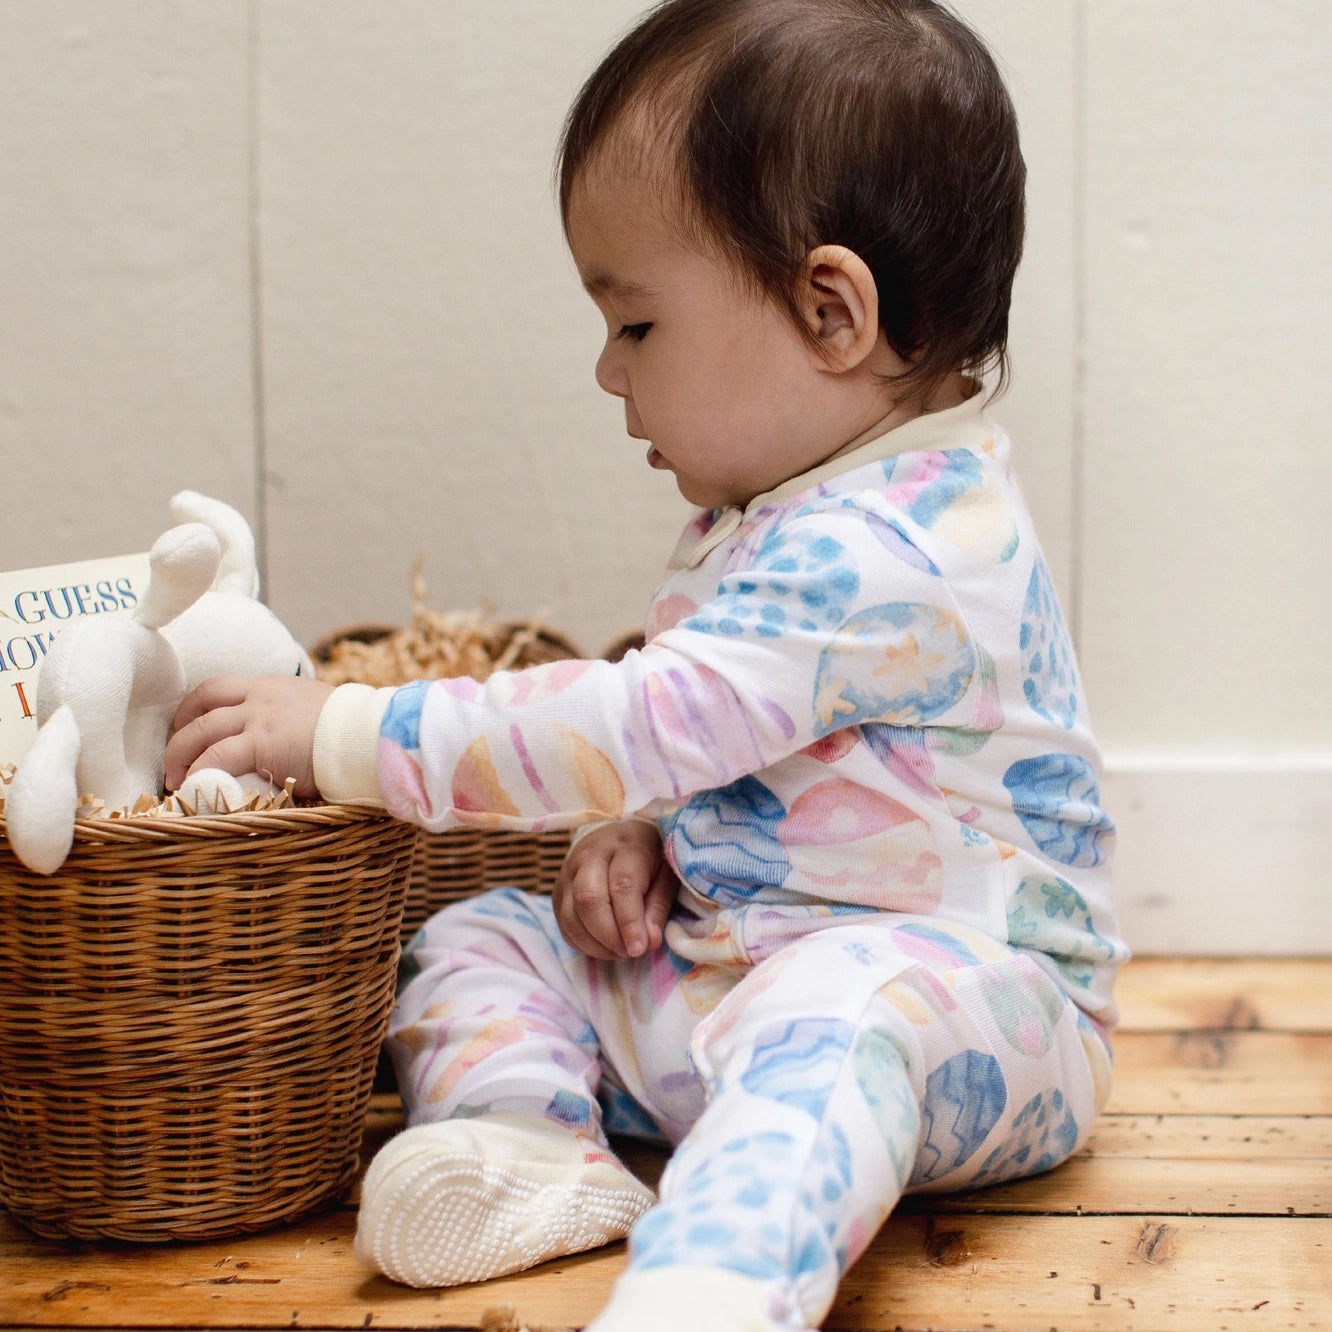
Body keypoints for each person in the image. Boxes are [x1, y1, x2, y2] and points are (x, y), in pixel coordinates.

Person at [165, 1, 1127, 1327]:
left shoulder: (895, 543)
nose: (608, 372)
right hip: (735, 981)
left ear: (830, 309)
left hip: (972, 1016)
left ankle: (712, 1289)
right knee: (482, 934)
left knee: (840, 1022)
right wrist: (648, 835)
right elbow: (722, 752)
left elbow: (640, 717)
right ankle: (531, 1146)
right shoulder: (772, 517)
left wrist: (344, 733)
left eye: (638, 324)